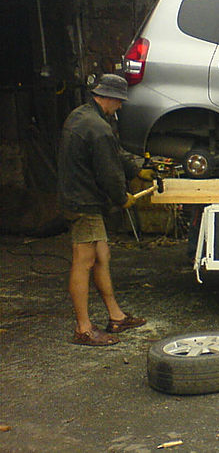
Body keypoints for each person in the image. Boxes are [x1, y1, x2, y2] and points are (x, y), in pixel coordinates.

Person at [57, 74, 153, 346]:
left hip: (79, 197)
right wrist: (122, 197)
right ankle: (84, 329)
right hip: (83, 203)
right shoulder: (97, 127)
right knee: (84, 260)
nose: (120, 107)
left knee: (101, 255)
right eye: (119, 101)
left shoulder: (82, 116)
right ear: (109, 97)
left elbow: (113, 152)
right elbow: (109, 171)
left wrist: (137, 169)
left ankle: (116, 316)